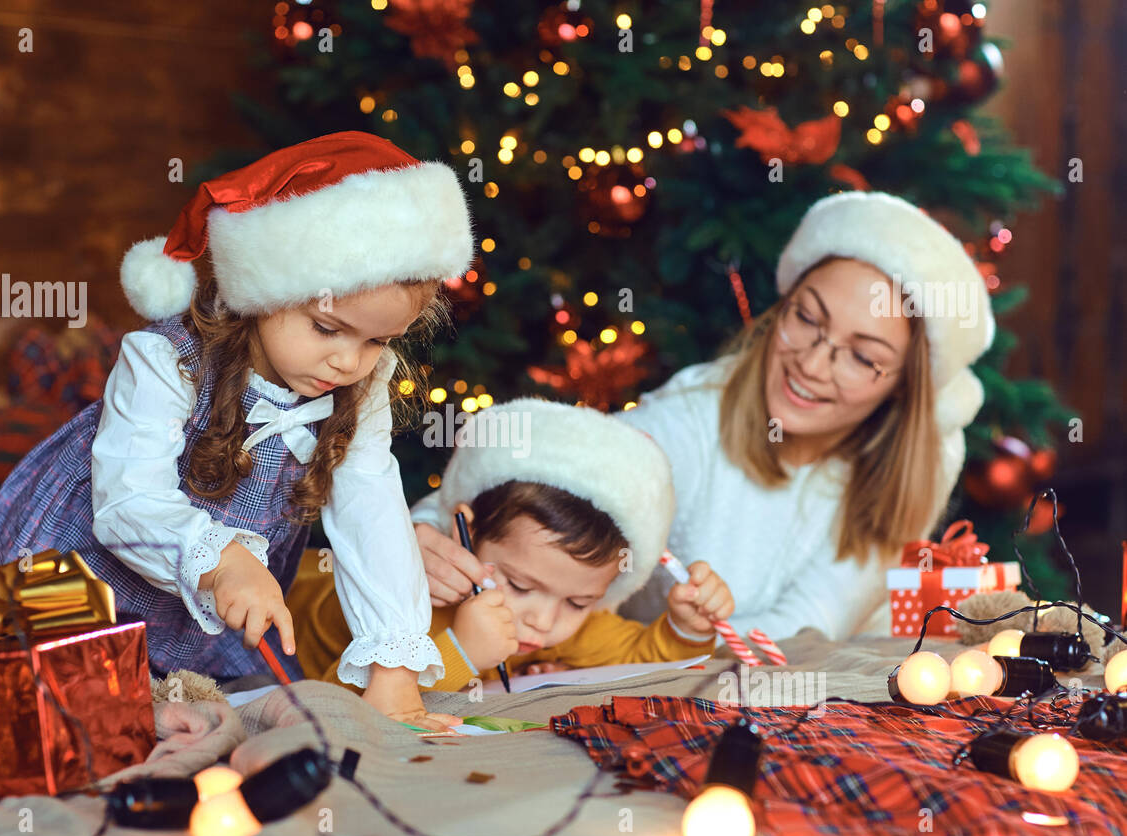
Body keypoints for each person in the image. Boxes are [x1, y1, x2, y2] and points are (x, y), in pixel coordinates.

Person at [0, 131, 474, 730]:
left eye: (377, 340)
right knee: (53, 700)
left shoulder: (359, 388)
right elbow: (127, 501)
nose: (349, 361)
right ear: (266, 293)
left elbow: (372, 514)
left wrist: (394, 672)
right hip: (85, 575)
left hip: (199, 621)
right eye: (326, 328)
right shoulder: (167, 362)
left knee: (186, 703)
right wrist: (221, 560)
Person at [413, 191, 993, 645]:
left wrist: (686, 642)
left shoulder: (912, 465)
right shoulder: (685, 426)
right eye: (807, 319)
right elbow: (531, 490)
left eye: (864, 357)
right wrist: (421, 536)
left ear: (903, 390)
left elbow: (813, 623)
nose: (813, 363)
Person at [291, 398, 732, 692]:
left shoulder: (558, 625)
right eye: (519, 587)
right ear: (467, 531)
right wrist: (461, 652)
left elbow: (646, 660)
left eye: (579, 602)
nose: (542, 622)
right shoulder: (408, 599)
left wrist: (689, 627)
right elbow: (341, 694)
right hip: (286, 610)